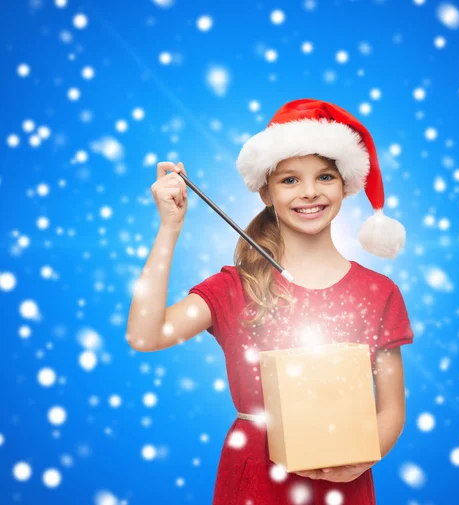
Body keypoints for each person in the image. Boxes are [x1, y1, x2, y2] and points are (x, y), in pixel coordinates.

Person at [126, 99, 415, 505]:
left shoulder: (379, 292)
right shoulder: (235, 287)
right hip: (254, 485)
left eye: (325, 176)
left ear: (345, 184)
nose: (310, 192)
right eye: (290, 180)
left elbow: (391, 410)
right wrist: (169, 228)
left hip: (344, 483)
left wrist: (362, 458)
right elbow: (145, 335)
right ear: (265, 191)